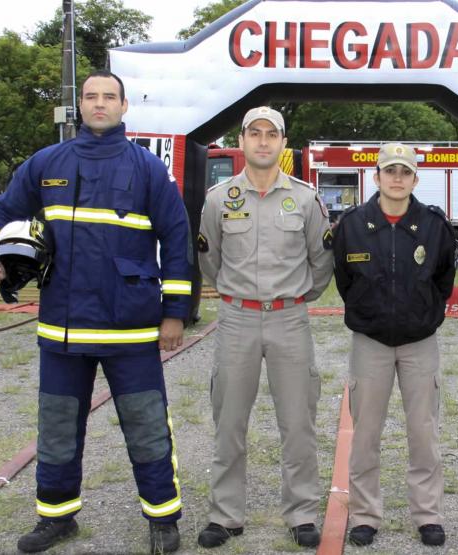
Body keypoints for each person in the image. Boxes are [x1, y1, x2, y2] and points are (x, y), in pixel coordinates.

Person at [0, 70, 191, 554]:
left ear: (124, 106)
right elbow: (1, 212)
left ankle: (162, 517)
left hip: (130, 329)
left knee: (147, 426)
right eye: (91, 96)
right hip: (63, 327)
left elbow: (177, 240)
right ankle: (56, 518)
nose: (99, 104)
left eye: (109, 97)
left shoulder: (148, 169)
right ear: (80, 106)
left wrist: (174, 312)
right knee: (57, 427)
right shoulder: (47, 163)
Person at [197, 106, 333, 549]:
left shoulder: (306, 199)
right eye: (253, 133)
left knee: (298, 422)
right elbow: (209, 260)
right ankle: (225, 515)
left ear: (282, 143)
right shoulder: (219, 199)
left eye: (270, 134)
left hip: (289, 318)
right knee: (229, 420)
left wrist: (295, 297)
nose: (261, 141)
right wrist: (237, 294)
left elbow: (321, 262)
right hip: (236, 318)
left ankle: (302, 514)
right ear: (241, 141)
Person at [331, 143, 457, 547]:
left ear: (415, 179)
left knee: (424, 432)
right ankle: (365, 515)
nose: (397, 178)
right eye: (390, 171)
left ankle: (428, 515)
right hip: (370, 341)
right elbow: (344, 279)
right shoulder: (352, 224)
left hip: (420, 342)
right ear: (377, 176)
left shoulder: (434, 225)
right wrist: (370, 312)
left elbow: (444, 279)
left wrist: (423, 313)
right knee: (366, 433)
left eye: (405, 172)